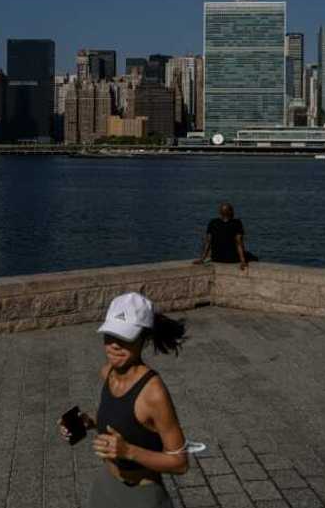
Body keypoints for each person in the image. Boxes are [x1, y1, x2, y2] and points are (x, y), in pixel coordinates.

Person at [58, 292, 189, 508]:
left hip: (142, 497)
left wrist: (128, 451)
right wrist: (88, 422)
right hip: (105, 486)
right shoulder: (107, 372)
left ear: (144, 339)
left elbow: (180, 462)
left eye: (125, 337)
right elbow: (125, 422)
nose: (114, 345)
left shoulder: (153, 393)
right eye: (110, 335)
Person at [196, 202, 249, 270]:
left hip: (216, 258)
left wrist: (202, 259)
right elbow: (239, 242)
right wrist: (242, 261)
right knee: (252, 257)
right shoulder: (237, 223)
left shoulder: (213, 222)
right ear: (231, 212)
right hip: (232, 259)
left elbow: (208, 242)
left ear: (220, 212)